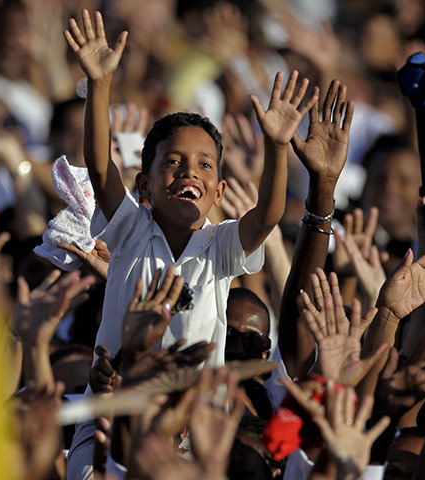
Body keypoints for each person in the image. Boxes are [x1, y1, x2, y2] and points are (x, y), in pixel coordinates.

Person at [62, 9, 317, 478]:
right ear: (145, 184)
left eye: (204, 166)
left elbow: (268, 216)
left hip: (191, 431)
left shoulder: (220, 247)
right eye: (173, 162)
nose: (188, 173)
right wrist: (99, 84)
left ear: (219, 192)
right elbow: (100, 169)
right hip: (110, 413)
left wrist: (278, 146)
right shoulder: (130, 228)